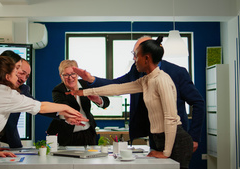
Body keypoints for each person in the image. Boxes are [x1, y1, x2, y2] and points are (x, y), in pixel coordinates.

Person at [67, 36, 193, 169]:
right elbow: (118, 88)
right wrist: (83, 92)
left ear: (147, 58)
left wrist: (166, 152)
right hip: (159, 139)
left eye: (136, 55)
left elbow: (171, 118)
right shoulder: (146, 80)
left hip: (176, 141)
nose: (134, 59)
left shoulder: (162, 79)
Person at [0, 55, 89, 169]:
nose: (20, 77)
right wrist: (67, 108)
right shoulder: (5, 93)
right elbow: (41, 107)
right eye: (16, 72)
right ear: (7, 76)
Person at [46, 60, 110, 146]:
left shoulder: (86, 85)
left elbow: (106, 102)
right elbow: (62, 107)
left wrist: (97, 99)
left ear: (77, 74)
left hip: (88, 132)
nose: (70, 77)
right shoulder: (58, 90)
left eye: (73, 74)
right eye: (66, 75)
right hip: (67, 134)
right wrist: (69, 116)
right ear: (61, 76)